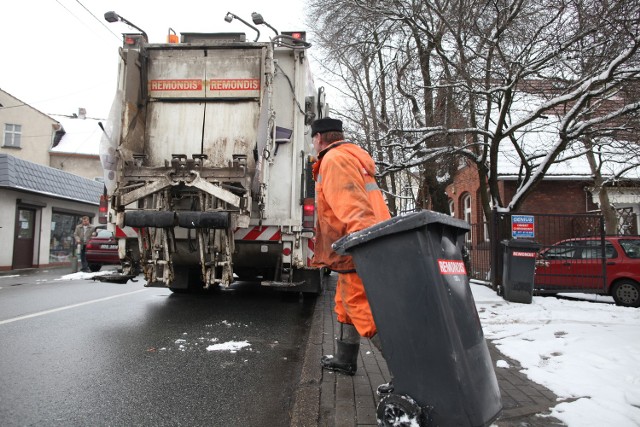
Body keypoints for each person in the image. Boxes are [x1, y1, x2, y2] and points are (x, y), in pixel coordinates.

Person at [310, 117, 393, 394]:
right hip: (358, 246)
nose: (313, 144)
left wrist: (363, 246)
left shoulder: (334, 159)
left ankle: (406, 371)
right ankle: (344, 360)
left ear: (319, 138)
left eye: (313, 140)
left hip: (358, 247)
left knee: (361, 309)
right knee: (344, 305)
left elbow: (354, 208)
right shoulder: (352, 157)